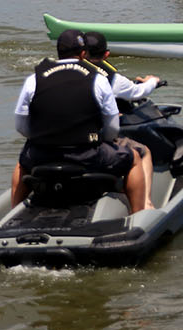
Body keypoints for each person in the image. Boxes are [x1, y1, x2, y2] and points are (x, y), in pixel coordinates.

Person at [10, 29, 147, 212]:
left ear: (58, 52)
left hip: (42, 154)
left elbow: (21, 126)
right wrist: (100, 140)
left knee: (22, 163)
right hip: (87, 155)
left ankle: (13, 212)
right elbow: (112, 128)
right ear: (83, 53)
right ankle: (138, 214)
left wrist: (43, 140)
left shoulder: (34, 79)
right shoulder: (97, 79)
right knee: (135, 158)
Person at [83, 30, 158, 196]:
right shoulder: (107, 79)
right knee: (142, 152)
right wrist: (153, 81)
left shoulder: (59, 72)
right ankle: (145, 202)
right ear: (107, 54)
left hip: (53, 143)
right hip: (90, 144)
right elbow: (138, 93)